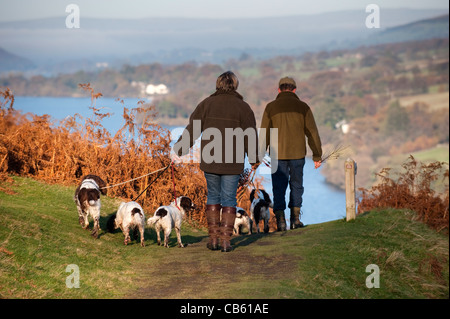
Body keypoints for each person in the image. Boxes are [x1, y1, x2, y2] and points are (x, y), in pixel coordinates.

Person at [173, 71, 258, 252]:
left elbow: (192, 129)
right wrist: (254, 159)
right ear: (234, 85)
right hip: (232, 162)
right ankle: (226, 241)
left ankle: (213, 239)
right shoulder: (243, 107)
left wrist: (179, 150)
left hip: (210, 160)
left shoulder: (206, 104)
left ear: (218, 84)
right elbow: (250, 135)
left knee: (212, 196)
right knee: (229, 199)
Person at [260, 76, 322, 231]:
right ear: (295, 90)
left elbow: (264, 134)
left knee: (278, 188)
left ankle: (281, 221)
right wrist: (317, 155)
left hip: (277, 155)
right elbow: (312, 133)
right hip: (297, 154)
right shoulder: (303, 107)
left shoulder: (270, 107)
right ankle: (295, 220)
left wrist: (259, 156)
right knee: (297, 186)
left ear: (279, 89)